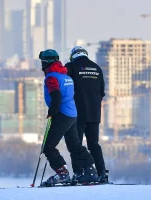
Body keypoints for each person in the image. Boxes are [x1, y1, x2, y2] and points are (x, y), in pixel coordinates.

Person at [39, 49, 98, 186]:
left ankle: (63, 174)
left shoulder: (51, 77)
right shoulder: (66, 77)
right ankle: (90, 171)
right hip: (73, 115)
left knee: (48, 147)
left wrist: (52, 112)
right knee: (75, 146)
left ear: (46, 62)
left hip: (62, 115)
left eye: (42, 61)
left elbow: (56, 96)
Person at [65, 46, 108, 183]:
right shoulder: (97, 68)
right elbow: (102, 93)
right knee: (94, 144)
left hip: (77, 113)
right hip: (95, 114)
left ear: (73, 56)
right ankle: (102, 173)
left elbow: (64, 87)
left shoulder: (71, 66)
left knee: (75, 144)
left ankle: (79, 173)